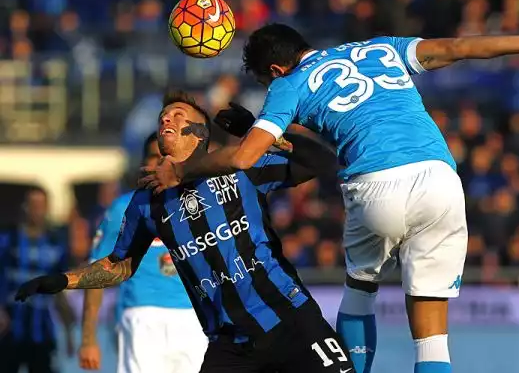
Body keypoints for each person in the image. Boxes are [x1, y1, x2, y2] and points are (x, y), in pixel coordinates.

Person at [138, 11, 519, 373]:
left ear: (274, 70)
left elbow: (242, 159)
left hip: (376, 183)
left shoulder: (287, 85)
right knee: (432, 337)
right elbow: (454, 48)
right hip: (439, 177)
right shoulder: (379, 47)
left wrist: (182, 169)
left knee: (360, 291)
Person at [15, 90, 356, 373]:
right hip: (230, 346)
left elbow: (322, 161)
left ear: (201, 134)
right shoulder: (147, 202)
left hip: (292, 323)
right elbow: (120, 265)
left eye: (178, 115)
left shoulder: (242, 169)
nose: (166, 119)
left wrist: (262, 130)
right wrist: (63, 281)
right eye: (163, 115)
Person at [78, 133, 208, 373]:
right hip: (141, 316)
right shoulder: (122, 208)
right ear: (143, 164)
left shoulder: (202, 204)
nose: (159, 163)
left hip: (195, 319)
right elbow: (97, 273)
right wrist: (88, 339)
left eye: (166, 156)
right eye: (153, 156)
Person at [0, 186, 75, 373]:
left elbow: (59, 291)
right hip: (9, 331)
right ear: (24, 207)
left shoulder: (56, 245)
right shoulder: (8, 240)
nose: (36, 209)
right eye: (32, 204)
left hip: (42, 333)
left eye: (41, 204)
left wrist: (69, 332)